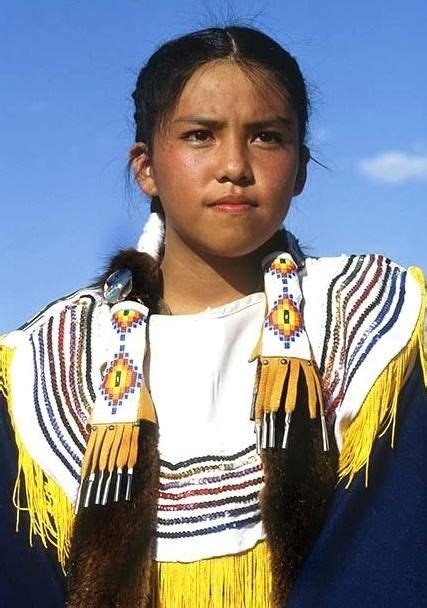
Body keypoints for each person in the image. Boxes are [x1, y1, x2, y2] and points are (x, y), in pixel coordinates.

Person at [0, 25, 425, 608]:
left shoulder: (375, 320)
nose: (234, 165)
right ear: (146, 167)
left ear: (300, 167)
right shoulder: (50, 360)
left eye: (267, 138)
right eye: (200, 135)